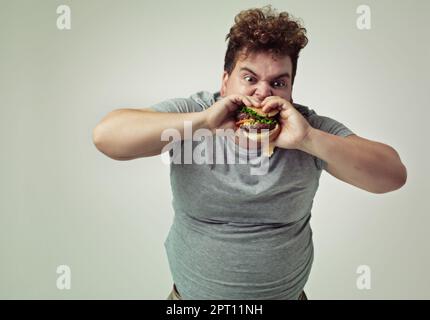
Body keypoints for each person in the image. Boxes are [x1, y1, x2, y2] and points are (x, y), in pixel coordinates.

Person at [92, 6, 407, 300]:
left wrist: (308, 139)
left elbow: (392, 176)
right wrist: (203, 123)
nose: (263, 92)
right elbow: (107, 137)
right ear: (225, 81)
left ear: (291, 89)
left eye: (278, 82)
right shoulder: (195, 114)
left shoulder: (306, 128)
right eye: (249, 78)